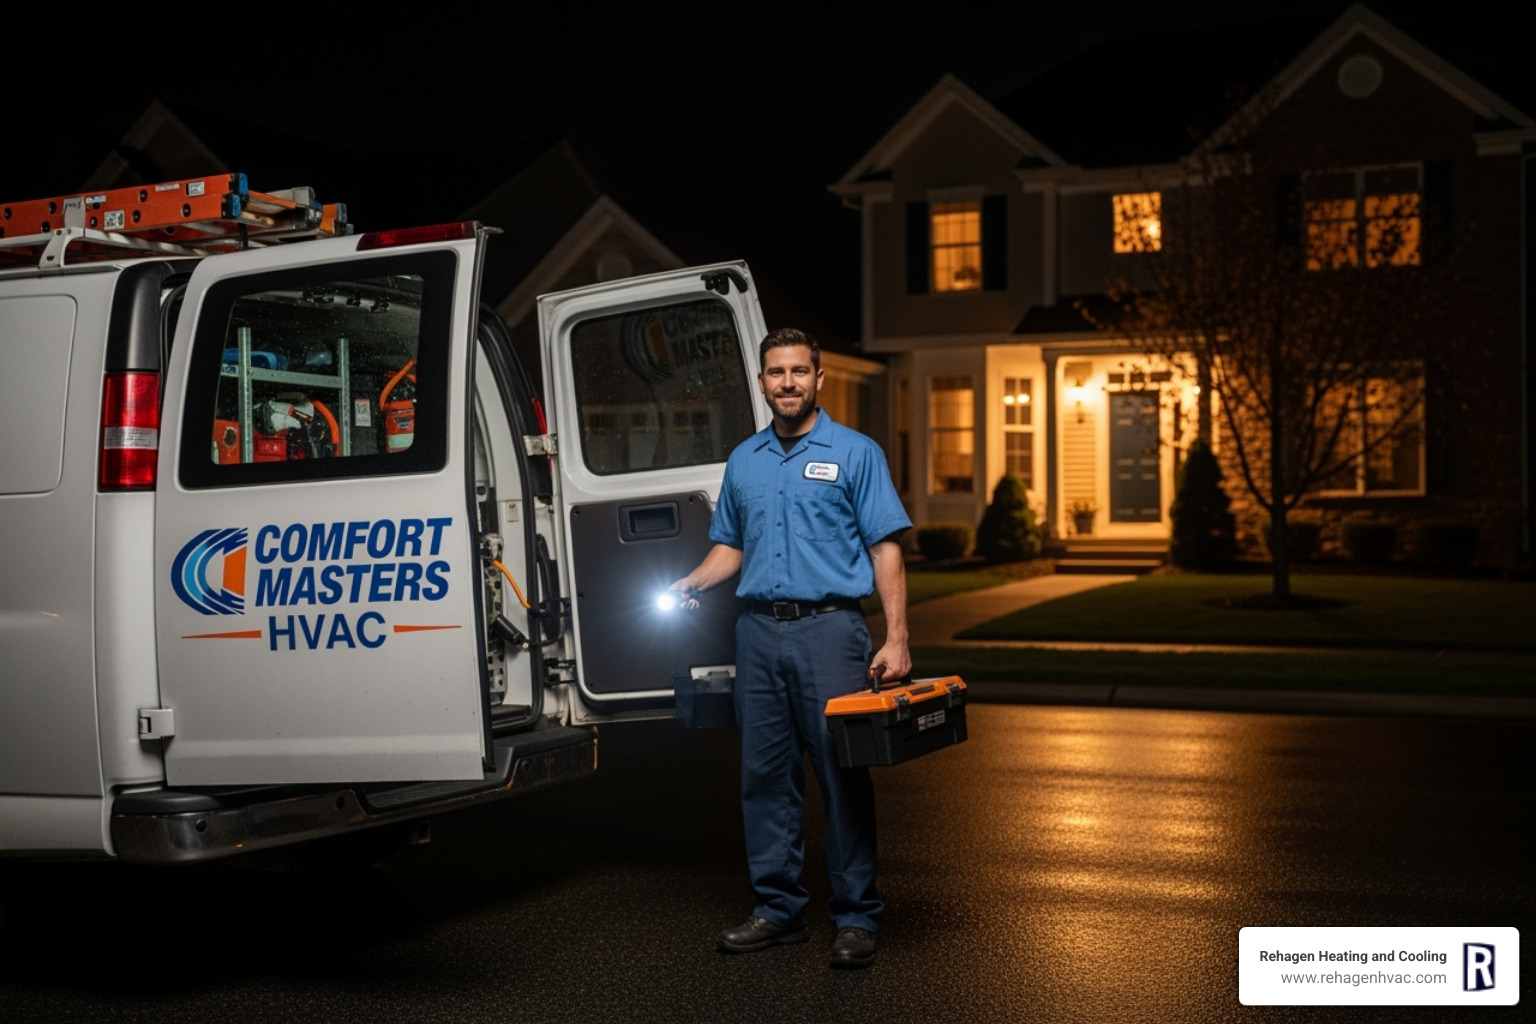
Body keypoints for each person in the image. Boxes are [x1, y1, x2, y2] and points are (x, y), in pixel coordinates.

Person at [669, 327, 910, 969]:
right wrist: (692, 582)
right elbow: (731, 545)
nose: (788, 383)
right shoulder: (744, 459)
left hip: (830, 631)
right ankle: (778, 910)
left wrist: (897, 637)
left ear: (819, 379)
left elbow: (885, 546)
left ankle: (856, 916)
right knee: (765, 776)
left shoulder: (855, 453)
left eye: (799, 371)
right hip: (756, 633)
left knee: (841, 773)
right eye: (776, 372)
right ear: (761, 382)